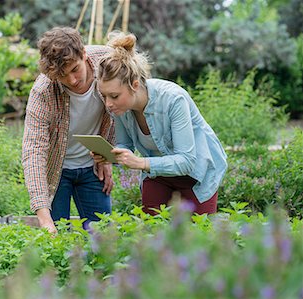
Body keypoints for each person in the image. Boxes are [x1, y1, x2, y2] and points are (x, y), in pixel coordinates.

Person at [94, 32, 227, 215]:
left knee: (198, 238)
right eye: (105, 96)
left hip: (196, 175)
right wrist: (111, 155)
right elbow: (126, 145)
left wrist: (140, 162)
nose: (108, 103)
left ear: (134, 85)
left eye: (114, 96)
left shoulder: (173, 99)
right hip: (157, 175)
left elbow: (186, 161)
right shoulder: (120, 108)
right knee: (152, 235)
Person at [22, 27, 115, 234]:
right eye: (63, 76)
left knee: (102, 237)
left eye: (75, 69)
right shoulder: (43, 91)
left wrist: (106, 156)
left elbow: (123, 109)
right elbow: (33, 151)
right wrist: (44, 218)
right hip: (56, 171)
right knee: (57, 240)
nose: (72, 80)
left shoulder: (108, 63)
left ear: (83, 54)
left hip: (92, 168)